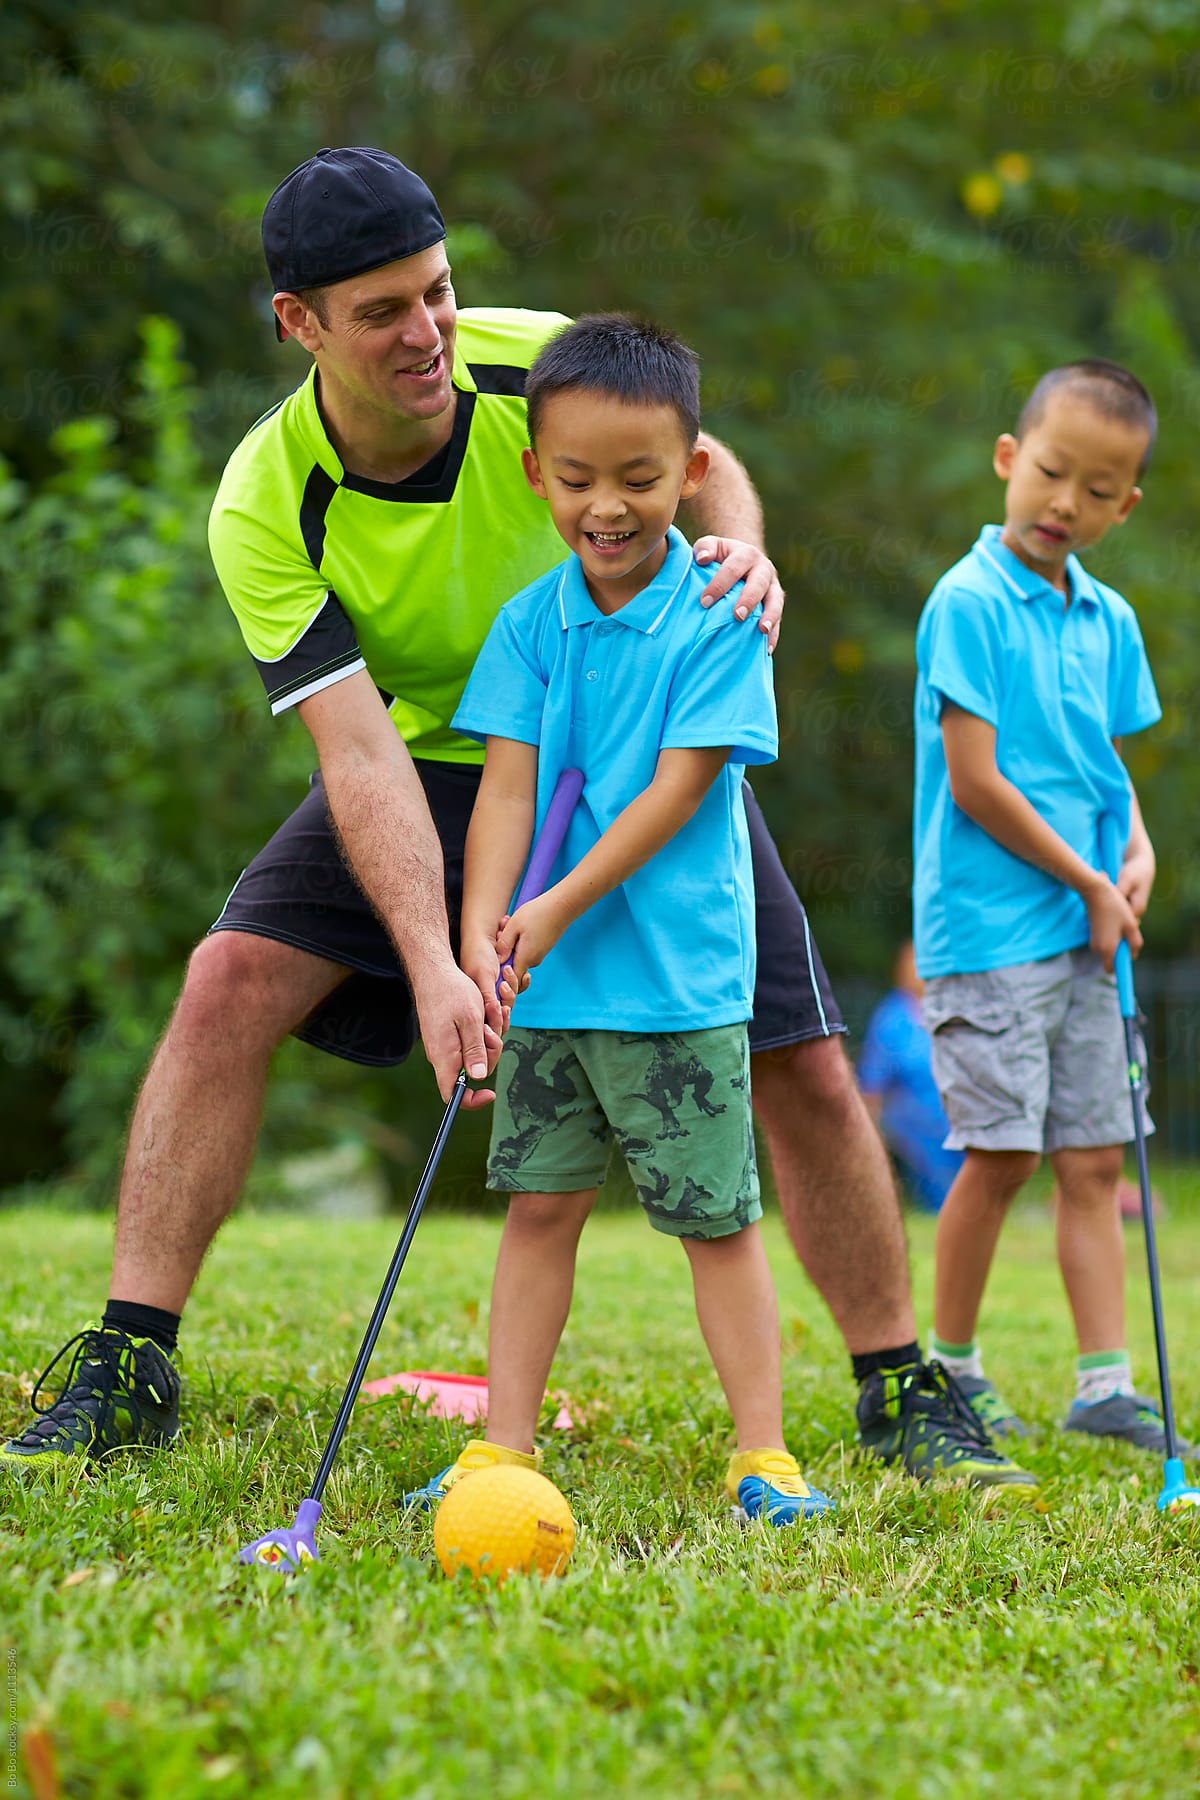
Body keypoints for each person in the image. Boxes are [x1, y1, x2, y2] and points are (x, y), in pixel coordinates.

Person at [2, 148, 1017, 1494]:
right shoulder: (266, 495)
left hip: (631, 749)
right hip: (423, 757)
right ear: (297, 324)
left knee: (802, 1055)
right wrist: (438, 959)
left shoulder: (525, 364)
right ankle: (132, 1359)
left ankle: (901, 1382)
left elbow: (698, 457)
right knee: (228, 977)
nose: (426, 334)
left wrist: (748, 544)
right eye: (380, 313)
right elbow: (357, 753)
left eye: (435, 292)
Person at [404, 313, 831, 1525]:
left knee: (715, 1219)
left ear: (693, 472)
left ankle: (763, 1455)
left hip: (673, 980)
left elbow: (678, 792)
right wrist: (481, 932)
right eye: (578, 478)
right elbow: (506, 788)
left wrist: (548, 906)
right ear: (536, 472)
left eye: (640, 479)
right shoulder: (532, 624)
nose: (607, 506)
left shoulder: (717, 612)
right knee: (539, 1208)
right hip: (553, 989)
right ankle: (503, 1444)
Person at [915, 358, 1182, 1457]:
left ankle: (1104, 1385)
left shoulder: (1108, 617)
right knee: (1001, 1154)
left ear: (1126, 506)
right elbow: (975, 780)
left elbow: (1101, 766)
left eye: (1098, 489)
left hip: (1089, 931)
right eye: (1053, 474)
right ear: (1009, 460)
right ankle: (954, 1369)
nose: (1066, 504)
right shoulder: (967, 602)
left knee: (1094, 1159)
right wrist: (1083, 881)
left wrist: (1135, 854)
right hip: (991, 931)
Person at [858, 940, 963, 1213]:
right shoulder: (891, 1018)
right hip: (915, 1127)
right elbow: (872, 1085)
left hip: (961, 1118)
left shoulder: (959, 1007)